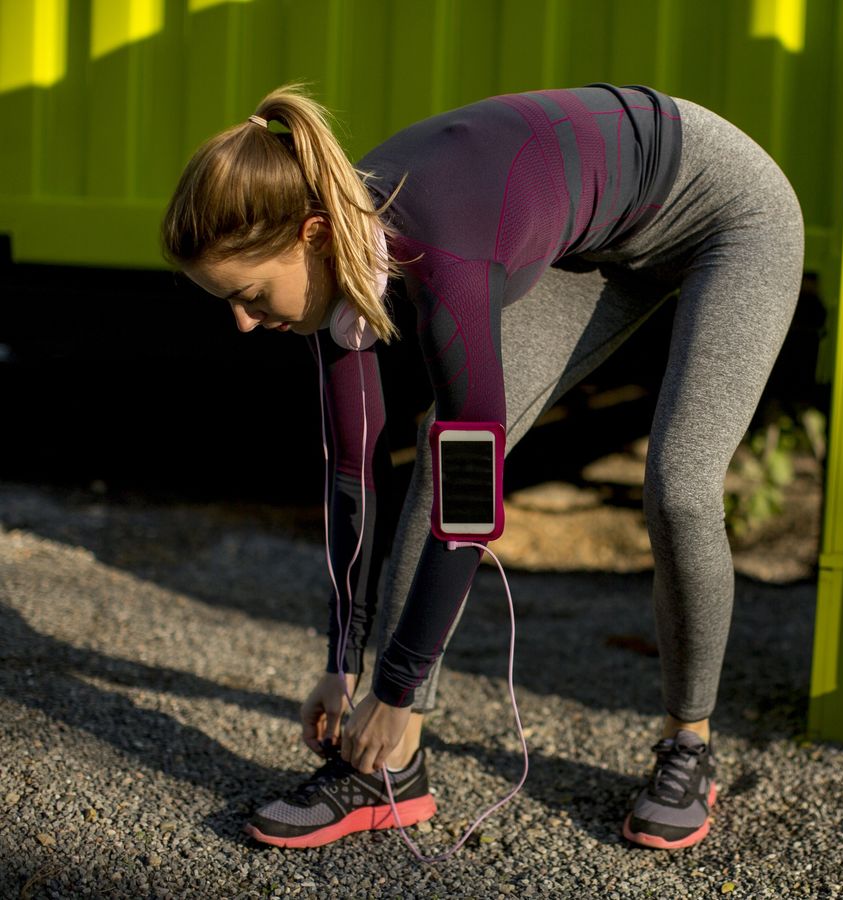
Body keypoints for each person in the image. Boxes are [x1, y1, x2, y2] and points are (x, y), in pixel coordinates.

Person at [162, 81, 803, 852]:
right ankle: (389, 769)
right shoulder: (338, 253)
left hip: (727, 213)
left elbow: (475, 501)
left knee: (680, 486)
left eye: (251, 295)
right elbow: (354, 471)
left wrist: (393, 686)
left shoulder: (439, 254)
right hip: (601, 238)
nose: (242, 322)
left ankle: (688, 745)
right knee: (445, 457)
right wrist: (344, 661)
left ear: (313, 234)